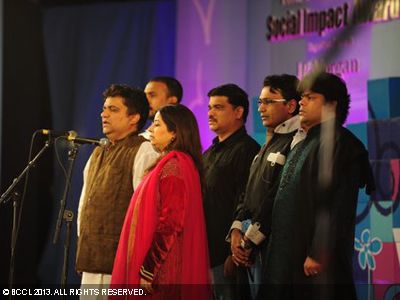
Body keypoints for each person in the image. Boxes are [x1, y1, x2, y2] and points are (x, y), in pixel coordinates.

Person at [263, 72, 374, 299]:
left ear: (331, 105)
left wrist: (317, 252)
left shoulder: (342, 145)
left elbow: (338, 207)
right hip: (286, 256)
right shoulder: (304, 141)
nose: (301, 102)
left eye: (310, 97)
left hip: (315, 264)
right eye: (302, 97)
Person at [111, 104, 211, 299]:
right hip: (163, 263)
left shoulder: (174, 167)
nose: (149, 130)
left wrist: (149, 268)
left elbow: (171, 222)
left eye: (157, 124)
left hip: (163, 268)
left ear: (174, 132)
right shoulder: (173, 163)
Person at [76, 84, 158, 293]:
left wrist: (143, 263)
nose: (104, 114)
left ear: (134, 117)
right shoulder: (98, 153)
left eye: (113, 110)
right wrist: (84, 244)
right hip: (92, 259)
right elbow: (83, 205)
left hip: (123, 264)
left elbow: (147, 211)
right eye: (104, 109)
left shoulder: (143, 150)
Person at [227, 74, 301, 299]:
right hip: (254, 249)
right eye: (260, 102)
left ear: (291, 106)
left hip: (277, 251)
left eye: (269, 102)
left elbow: (277, 198)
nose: (261, 108)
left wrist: (249, 240)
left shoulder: (297, 141)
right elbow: (248, 194)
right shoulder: (267, 143)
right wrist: (237, 230)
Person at [203, 84, 260, 300]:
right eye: (209, 107)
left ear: (239, 112)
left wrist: (231, 253)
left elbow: (247, 203)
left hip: (227, 258)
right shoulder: (208, 153)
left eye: (218, 107)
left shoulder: (248, 150)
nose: (210, 113)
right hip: (204, 254)